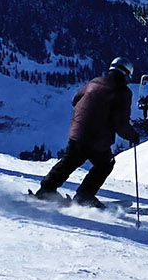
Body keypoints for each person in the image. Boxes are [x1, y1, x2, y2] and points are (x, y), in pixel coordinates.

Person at [35, 58, 141, 208]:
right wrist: (133, 135)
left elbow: (76, 100)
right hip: (97, 138)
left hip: (77, 132)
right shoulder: (123, 92)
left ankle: (46, 189)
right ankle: (84, 196)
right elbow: (121, 123)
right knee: (105, 164)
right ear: (127, 74)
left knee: (69, 161)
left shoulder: (94, 82)